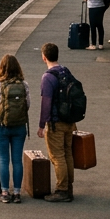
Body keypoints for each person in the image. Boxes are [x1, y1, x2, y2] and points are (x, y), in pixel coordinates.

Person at [0, 54, 30, 204]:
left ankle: (5, 192)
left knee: (3, 159)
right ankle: (17, 193)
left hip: (0, 126)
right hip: (19, 126)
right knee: (17, 160)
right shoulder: (24, 84)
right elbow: (27, 105)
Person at [38, 43, 76, 202]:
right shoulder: (66, 71)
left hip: (56, 123)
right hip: (69, 121)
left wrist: (42, 125)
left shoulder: (48, 77)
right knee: (67, 153)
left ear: (44, 57)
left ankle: (61, 190)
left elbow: (46, 103)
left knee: (57, 156)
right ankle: (69, 187)